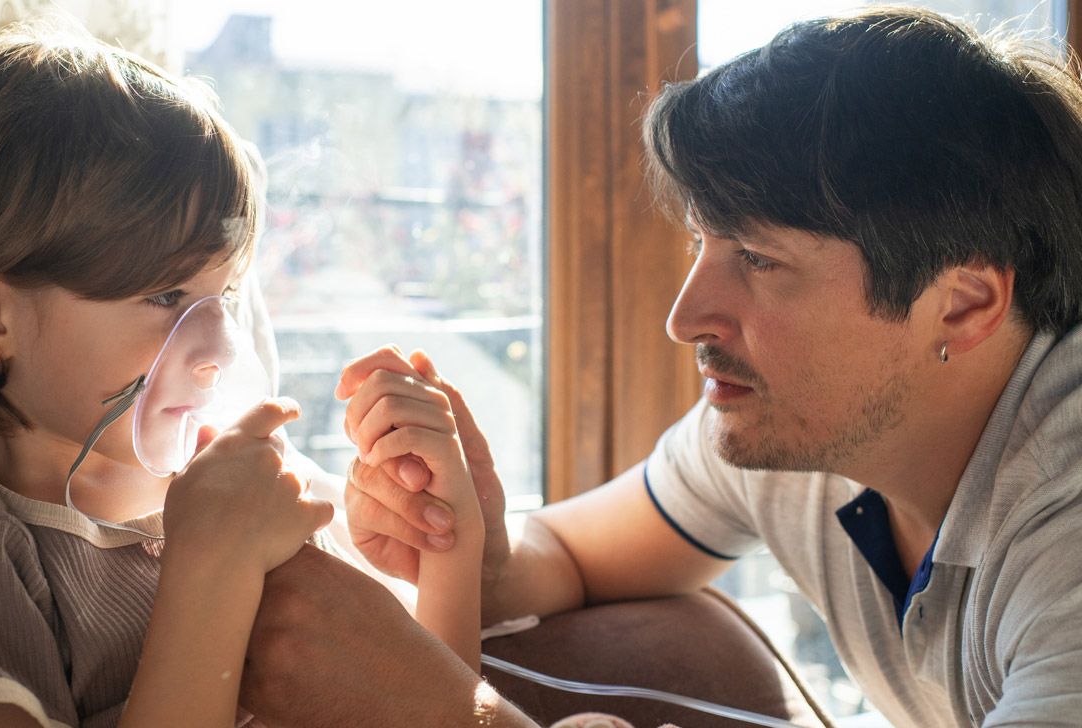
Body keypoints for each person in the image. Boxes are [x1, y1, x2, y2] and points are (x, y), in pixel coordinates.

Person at [244, 7, 1082, 727]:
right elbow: (571, 557)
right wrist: (468, 540)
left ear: (965, 304)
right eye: (701, 242)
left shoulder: (1064, 531)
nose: (685, 317)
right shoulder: (810, 421)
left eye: (756, 258)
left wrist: (444, 711)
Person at [0, 24, 497, 728]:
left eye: (227, 298)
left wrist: (448, 547)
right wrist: (214, 566)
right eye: (164, 297)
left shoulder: (257, 486)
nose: (219, 347)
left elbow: (422, 708)